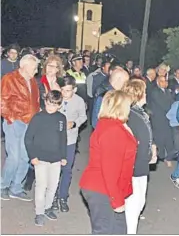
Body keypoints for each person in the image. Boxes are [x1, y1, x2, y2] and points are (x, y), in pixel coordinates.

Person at [80, 90, 137, 235]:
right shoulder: (113, 130)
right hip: (102, 189)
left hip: (103, 188)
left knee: (118, 230)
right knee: (106, 231)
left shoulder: (110, 125)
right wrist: (116, 201)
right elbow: (110, 171)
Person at [24, 90, 67, 226]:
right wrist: (32, 156)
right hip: (40, 158)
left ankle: (48, 207)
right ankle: (39, 212)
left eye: (54, 105)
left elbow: (63, 138)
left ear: (60, 105)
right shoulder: (38, 118)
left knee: (53, 186)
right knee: (41, 186)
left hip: (55, 159)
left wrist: (63, 156)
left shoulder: (61, 118)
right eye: (49, 104)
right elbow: (28, 138)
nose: (50, 107)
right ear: (45, 101)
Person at [1, 54, 40, 201]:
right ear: (24, 66)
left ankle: (15, 188)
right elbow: (2, 101)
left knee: (25, 157)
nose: (36, 71)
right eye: (34, 67)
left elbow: (35, 102)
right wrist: (11, 118)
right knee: (14, 157)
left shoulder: (33, 81)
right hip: (15, 122)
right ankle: (3, 186)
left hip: (29, 123)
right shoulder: (9, 79)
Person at [123, 79, 157, 234]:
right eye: (144, 91)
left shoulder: (141, 113)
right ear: (138, 94)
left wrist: (152, 148)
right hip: (134, 166)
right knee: (133, 203)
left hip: (142, 164)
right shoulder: (130, 115)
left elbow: (147, 136)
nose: (146, 93)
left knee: (139, 202)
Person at [51, 76, 87, 213]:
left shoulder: (79, 101)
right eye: (63, 90)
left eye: (68, 91)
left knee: (67, 169)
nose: (65, 94)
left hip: (70, 140)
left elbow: (83, 117)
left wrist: (75, 123)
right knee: (55, 168)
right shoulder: (56, 98)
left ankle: (63, 197)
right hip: (55, 140)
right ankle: (53, 196)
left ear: (75, 89)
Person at [149, 75, 174, 166]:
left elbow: (172, 102)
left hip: (167, 119)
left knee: (168, 138)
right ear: (158, 82)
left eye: (165, 81)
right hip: (158, 119)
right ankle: (160, 156)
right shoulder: (155, 92)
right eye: (162, 81)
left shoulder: (168, 92)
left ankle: (167, 157)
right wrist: (171, 108)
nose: (164, 83)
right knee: (159, 138)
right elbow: (164, 105)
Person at [166, 88, 179, 162]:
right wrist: (174, 121)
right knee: (177, 147)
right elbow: (168, 115)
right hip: (175, 127)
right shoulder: (176, 104)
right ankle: (168, 158)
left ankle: (178, 161)